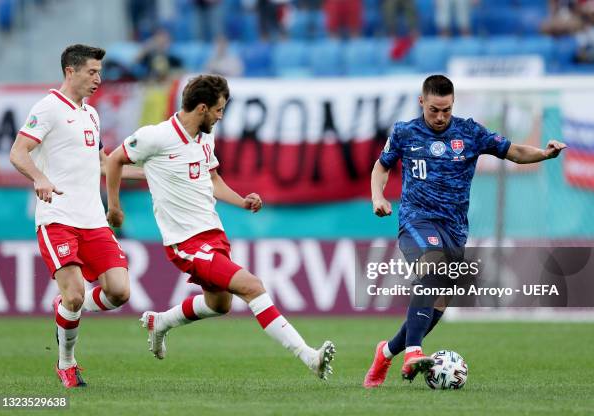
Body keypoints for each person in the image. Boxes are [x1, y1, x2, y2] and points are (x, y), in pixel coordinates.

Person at [105, 74, 336, 380]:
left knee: (219, 304)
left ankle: (160, 322)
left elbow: (212, 181)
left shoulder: (204, 138)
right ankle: (308, 356)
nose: (220, 116)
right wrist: (115, 208)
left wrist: (242, 201)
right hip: (185, 242)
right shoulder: (155, 136)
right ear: (202, 108)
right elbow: (113, 161)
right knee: (252, 286)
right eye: (218, 109)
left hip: (213, 234)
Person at [363, 75, 566, 388]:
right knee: (430, 267)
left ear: (453, 103)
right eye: (434, 110)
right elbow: (381, 166)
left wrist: (545, 153)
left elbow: (513, 152)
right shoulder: (405, 132)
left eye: (446, 109)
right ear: (422, 102)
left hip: (455, 230)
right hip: (417, 221)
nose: (441, 116)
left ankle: (386, 351)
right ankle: (413, 353)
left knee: (439, 303)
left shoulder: (470, 131)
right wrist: (378, 197)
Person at [9, 44, 144, 388]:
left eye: (100, 71)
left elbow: (103, 163)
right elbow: (17, 152)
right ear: (71, 71)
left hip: (93, 220)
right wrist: (39, 178)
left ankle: (65, 310)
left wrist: (148, 173)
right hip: (58, 218)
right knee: (74, 295)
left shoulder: (91, 114)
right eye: (92, 72)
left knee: (119, 293)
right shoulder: (49, 107)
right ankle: (66, 363)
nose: (99, 78)